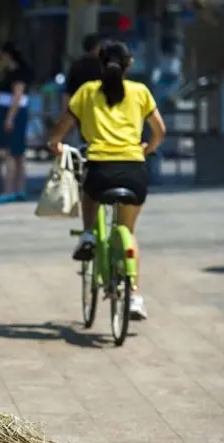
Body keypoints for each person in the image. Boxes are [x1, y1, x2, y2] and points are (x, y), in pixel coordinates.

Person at [46, 40, 166, 320]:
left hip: (100, 168)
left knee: (90, 188)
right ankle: (134, 295)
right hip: (135, 170)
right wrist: (148, 149)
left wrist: (54, 143)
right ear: (129, 64)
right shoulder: (140, 92)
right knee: (128, 232)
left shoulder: (86, 93)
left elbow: (61, 128)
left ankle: (88, 233)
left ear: (99, 64)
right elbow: (159, 130)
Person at [0, 42, 32, 204]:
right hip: (8, 110)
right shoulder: (5, 72)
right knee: (17, 153)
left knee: (11, 152)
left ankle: (10, 189)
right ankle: (19, 188)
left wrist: (9, 118)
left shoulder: (18, 73)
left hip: (12, 112)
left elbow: (17, 95)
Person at [63, 33, 103, 113]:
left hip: (79, 108)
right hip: (97, 108)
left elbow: (68, 91)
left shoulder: (76, 66)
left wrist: (66, 111)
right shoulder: (101, 66)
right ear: (96, 47)